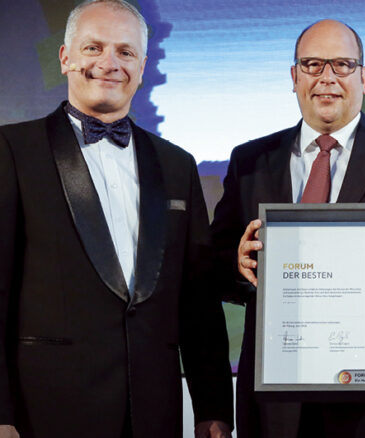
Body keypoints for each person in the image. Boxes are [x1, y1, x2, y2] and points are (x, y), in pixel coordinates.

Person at [0, 1, 233, 437]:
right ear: (65, 58)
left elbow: (197, 302)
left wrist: (213, 409)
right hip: (45, 416)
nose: (109, 63)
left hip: (153, 415)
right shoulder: (11, 150)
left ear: (141, 68)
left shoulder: (177, 165)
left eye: (125, 52)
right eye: (94, 48)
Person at [211, 19, 365, 438]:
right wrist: (236, 263)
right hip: (275, 409)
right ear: (294, 76)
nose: (327, 77)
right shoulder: (250, 161)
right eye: (313, 64)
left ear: (363, 77)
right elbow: (213, 266)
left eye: (342, 64)